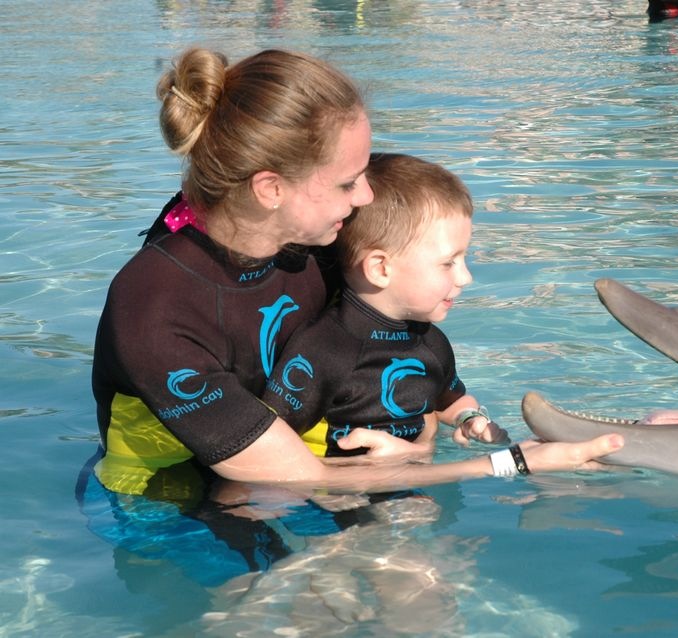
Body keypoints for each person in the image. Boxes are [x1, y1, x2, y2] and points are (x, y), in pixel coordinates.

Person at [89, 46, 624, 501]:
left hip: (304, 465)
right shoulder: (154, 307)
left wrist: (426, 436)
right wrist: (514, 463)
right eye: (349, 182)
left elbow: (396, 350)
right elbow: (297, 475)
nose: (367, 196)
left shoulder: (321, 240)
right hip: (165, 504)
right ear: (271, 189)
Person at [263, 153, 507, 458]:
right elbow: (268, 448)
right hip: (340, 482)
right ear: (380, 269)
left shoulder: (431, 343)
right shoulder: (323, 352)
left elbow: (448, 399)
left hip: (410, 469)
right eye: (448, 263)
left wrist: (469, 418)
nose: (466, 277)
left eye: (464, 258)